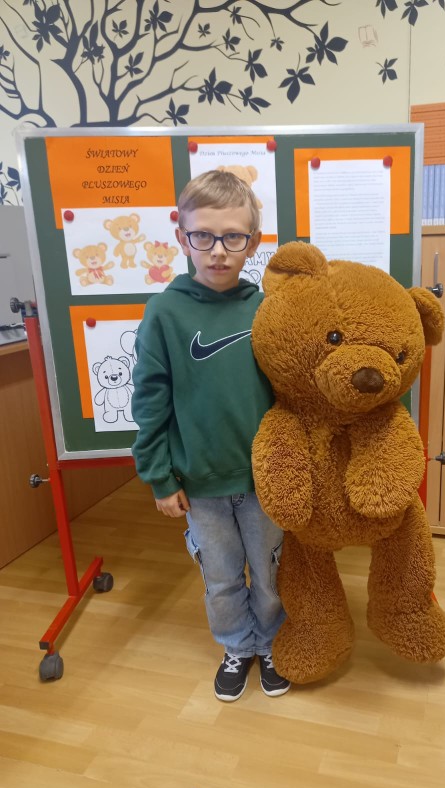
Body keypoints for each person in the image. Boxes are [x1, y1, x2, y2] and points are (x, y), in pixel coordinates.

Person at [131, 170, 289, 702]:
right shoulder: (164, 312)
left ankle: (270, 642)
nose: (218, 250)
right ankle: (237, 646)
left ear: (253, 242)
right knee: (220, 577)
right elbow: (149, 400)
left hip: (264, 481)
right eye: (203, 235)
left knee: (269, 573)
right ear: (182, 237)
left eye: (233, 237)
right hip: (200, 484)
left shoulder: (267, 310)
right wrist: (159, 476)